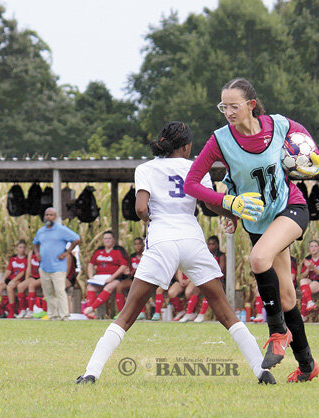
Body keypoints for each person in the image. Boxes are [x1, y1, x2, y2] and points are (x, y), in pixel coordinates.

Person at [76, 121, 275, 385]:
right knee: (225, 312)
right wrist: (232, 215)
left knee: (128, 313)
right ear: (187, 146)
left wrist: (151, 219)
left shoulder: (145, 169)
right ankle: (262, 371)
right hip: (192, 239)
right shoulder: (197, 167)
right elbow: (210, 203)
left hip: (162, 240)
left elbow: (140, 208)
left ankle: (91, 372)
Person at [184, 77, 319, 382]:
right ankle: (306, 366)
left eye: (234, 106)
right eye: (224, 106)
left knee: (259, 259)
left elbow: (309, 147)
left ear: (250, 105)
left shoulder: (279, 125)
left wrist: (312, 159)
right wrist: (228, 204)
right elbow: (191, 183)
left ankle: (277, 333)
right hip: (257, 220)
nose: (228, 112)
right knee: (287, 295)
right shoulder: (220, 140)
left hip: (292, 208)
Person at [33, 208, 80, 320]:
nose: (48, 217)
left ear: (55, 217)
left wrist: (67, 252)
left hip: (58, 267)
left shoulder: (61, 230)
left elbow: (76, 239)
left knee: (59, 291)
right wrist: (37, 253)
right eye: (47, 215)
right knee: (48, 293)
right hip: (44, 267)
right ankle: (52, 314)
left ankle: (63, 315)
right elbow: (35, 243)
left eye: (51, 215)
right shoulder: (41, 231)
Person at [83, 231, 129, 319]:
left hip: (115, 278)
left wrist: (112, 277)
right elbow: (91, 264)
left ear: (113, 240)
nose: (107, 240)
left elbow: (123, 266)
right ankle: (90, 313)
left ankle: (90, 308)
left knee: (109, 287)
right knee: (90, 287)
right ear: (102, 240)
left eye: (109, 238)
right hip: (99, 277)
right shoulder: (99, 251)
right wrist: (91, 275)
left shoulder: (118, 251)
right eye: (105, 238)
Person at [191, 235, 227, 323]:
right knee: (196, 290)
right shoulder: (206, 255)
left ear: (217, 245)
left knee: (209, 290)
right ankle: (189, 313)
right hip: (206, 278)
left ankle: (202, 314)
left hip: (218, 279)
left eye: (213, 244)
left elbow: (221, 270)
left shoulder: (221, 256)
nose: (210, 246)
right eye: (209, 244)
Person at [299, 240, 319, 321]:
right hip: (311, 280)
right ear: (309, 248)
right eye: (311, 246)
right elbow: (303, 275)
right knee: (303, 282)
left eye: (315, 246)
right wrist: (308, 268)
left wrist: (314, 268)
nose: (313, 248)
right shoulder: (307, 259)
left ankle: (303, 315)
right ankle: (310, 302)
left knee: (306, 291)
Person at [115, 237, 146, 320]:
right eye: (135, 244)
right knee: (119, 287)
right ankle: (121, 312)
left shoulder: (146, 255)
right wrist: (131, 272)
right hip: (133, 278)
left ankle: (142, 312)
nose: (137, 246)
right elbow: (129, 271)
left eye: (139, 244)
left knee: (139, 288)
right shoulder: (132, 256)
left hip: (144, 279)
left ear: (143, 245)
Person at [0, 240, 28, 318]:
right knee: (0, 287)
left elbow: (22, 272)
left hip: (18, 280)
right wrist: (3, 280)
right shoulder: (13, 258)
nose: (22, 249)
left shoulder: (26, 259)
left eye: (24, 247)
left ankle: (11, 311)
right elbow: (8, 270)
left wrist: (14, 280)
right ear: (17, 248)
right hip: (10, 279)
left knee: (9, 287)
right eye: (20, 247)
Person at [16, 249, 42, 318]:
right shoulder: (31, 252)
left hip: (42, 277)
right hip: (33, 277)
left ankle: (31, 310)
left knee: (31, 285)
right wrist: (26, 281)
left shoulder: (44, 251)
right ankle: (23, 310)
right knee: (20, 286)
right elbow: (28, 268)